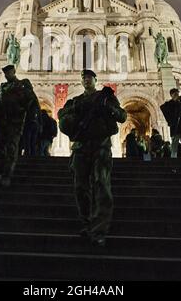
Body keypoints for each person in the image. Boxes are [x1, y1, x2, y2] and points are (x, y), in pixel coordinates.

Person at [58, 69, 126, 247]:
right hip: (81, 148)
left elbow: (122, 116)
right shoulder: (76, 101)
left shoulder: (106, 97)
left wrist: (109, 107)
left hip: (101, 147)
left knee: (101, 184)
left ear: (95, 80)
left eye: (89, 77)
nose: (86, 80)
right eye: (83, 78)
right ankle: (87, 222)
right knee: (80, 187)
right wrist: (72, 115)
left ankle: (100, 228)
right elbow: (62, 118)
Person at [0, 65, 37, 188]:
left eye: (9, 72)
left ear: (14, 72)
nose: (7, 75)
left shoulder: (22, 84)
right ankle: (0, 173)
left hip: (15, 122)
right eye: (5, 73)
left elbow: (31, 101)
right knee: (0, 148)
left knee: (11, 148)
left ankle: (7, 175)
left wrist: (26, 115)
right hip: (1, 122)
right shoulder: (1, 88)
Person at [160, 88, 181, 158]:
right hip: (175, 127)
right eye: (175, 94)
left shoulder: (180, 103)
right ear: (171, 95)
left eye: (178, 93)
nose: (177, 95)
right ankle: (173, 159)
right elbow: (163, 107)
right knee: (175, 144)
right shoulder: (169, 103)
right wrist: (174, 101)